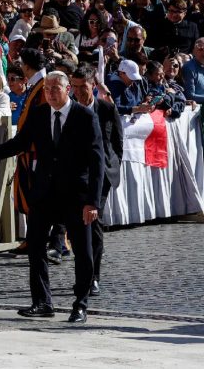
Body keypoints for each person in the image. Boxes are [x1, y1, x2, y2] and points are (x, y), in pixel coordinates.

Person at [0, 72, 104, 324]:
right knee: (35, 247)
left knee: (83, 251)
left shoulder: (85, 116)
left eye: (56, 88)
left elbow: (96, 161)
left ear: (68, 89)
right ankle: (42, 302)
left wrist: (93, 202)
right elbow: (19, 143)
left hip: (76, 195)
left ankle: (80, 303)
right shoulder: (39, 114)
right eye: (47, 89)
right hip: (44, 192)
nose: (50, 93)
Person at [69, 66, 122, 297]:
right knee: (77, 226)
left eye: (83, 87)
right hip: (76, 174)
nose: (78, 92)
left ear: (93, 86)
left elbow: (117, 141)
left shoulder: (107, 109)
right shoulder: (69, 110)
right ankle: (82, 273)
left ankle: (93, 277)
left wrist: (112, 167)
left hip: (102, 175)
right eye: (74, 87)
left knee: (94, 222)